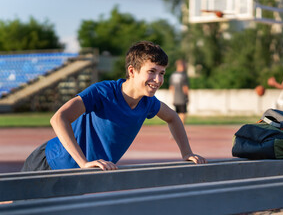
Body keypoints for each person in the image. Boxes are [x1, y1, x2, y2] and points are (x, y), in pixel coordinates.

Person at [21, 41, 206, 172]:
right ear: (132, 71)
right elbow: (58, 118)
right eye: (151, 72)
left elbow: (173, 117)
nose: (158, 80)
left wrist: (186, 153)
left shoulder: (147, 102)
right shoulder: (103, 92)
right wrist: (83, 163)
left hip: (83, 174)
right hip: (51, 163)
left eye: (162, 73)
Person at [169, 59, 189, 124]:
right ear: (182, 66)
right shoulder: (184, 75)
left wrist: (173, 98)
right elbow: (185, 87)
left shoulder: (173, 75)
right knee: (183, 113)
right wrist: (187, 96)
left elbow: (171, 87)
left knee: (177, 114)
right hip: (182, 98)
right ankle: (181, 128)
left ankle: (177, 128)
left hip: (176, 98)